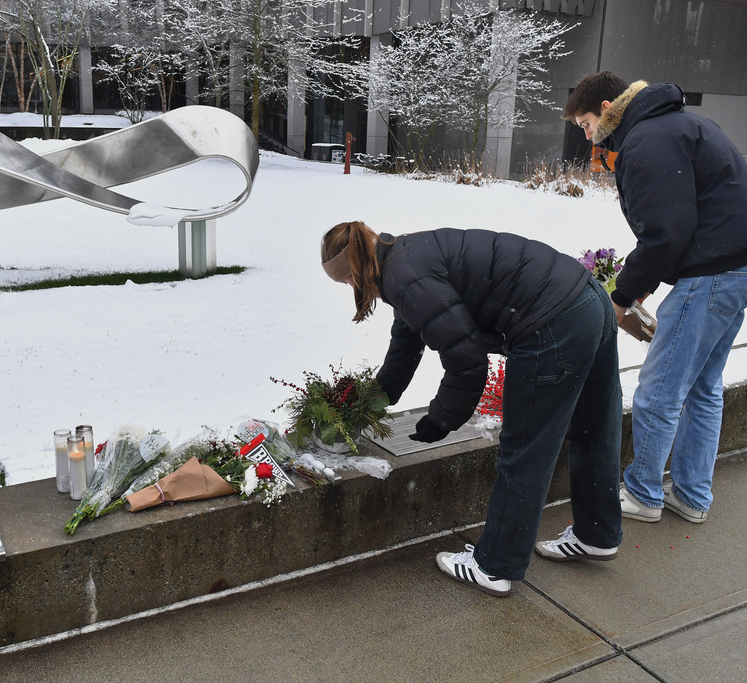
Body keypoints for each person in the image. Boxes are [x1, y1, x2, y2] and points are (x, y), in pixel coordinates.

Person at [320, 221, 623, 598]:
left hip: (550, 322)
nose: (351, 288)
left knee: (525, 450)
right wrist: (369, 402)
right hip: (586, 298)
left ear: (354, 271)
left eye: (346, 281)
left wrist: (441, 419)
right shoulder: (404, 256)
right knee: (594, 426)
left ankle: (494, 566)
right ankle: (597, 533)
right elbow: (405, 344)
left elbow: (466, 359)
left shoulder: (405, 278)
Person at [564, 72, 747, 525]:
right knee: (702, 389)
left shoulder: (646, 139)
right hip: (735, 269)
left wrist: (621, 296)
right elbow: (685, 217)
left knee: (658, 392)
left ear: (607, 107)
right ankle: (691, 495)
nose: (588, 136)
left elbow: (666, 232)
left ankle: (644, 493)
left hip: (709, 276)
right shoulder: (685, 124)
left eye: (586, 123)